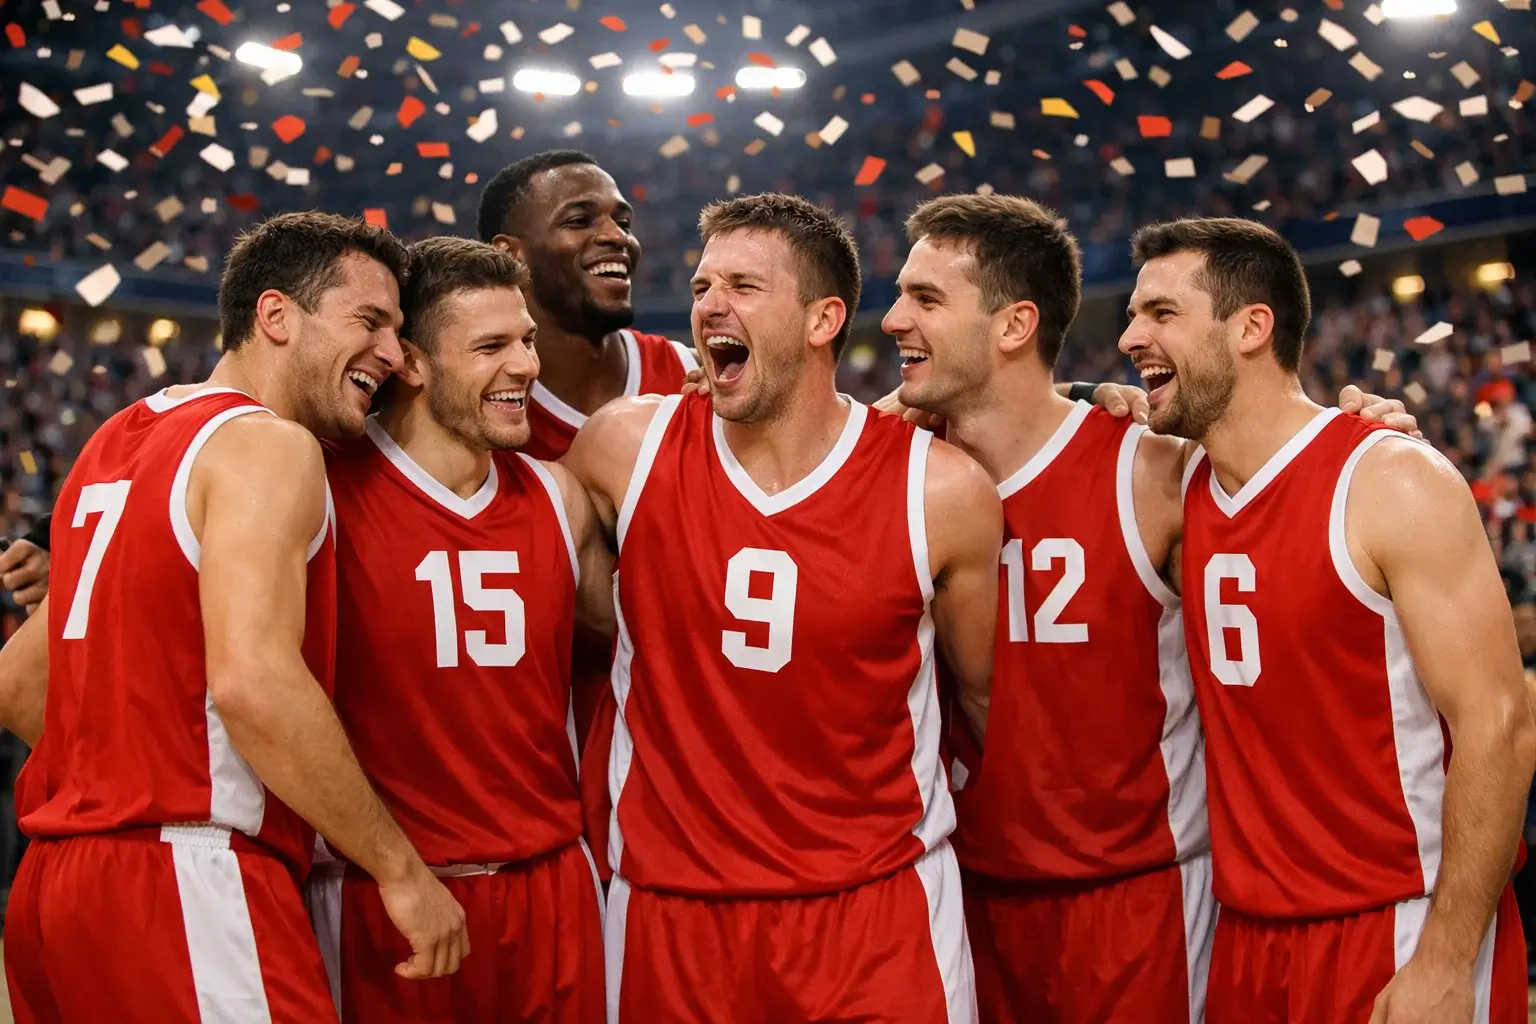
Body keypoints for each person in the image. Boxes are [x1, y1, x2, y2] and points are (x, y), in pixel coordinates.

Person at [880, 193, 1424, 1024]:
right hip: (966, 893)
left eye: (924, 298)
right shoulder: (892, 472)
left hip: (1142, 901)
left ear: (1014, 324)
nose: (892, 321)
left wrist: (1372, 434)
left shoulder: (1157, 473)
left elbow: (1287, 462)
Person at [0, 211, 468, 1022]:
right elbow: (256, 682)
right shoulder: (270, 446)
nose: (395, 354)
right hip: (190, 881)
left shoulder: (120, 438)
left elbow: (19, 685)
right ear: (277, 316)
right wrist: (399, 869)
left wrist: (131, 775)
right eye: (371, 322)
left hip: (55, 887)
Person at [563, 193, 1000, 1022]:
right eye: (700, 287)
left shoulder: (940, 491)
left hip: (876, 913)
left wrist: (1096, 394)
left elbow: (980, 700)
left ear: (822, 318)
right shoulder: (623, 447)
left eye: (743, 285)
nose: (709, 305)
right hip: (670, 910)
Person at [1121, 216, 1534, 1022]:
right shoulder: (1177, 488)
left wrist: (1448, 961)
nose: (1132, 335)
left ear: (1251, 325)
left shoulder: (1390, 479)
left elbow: (1501, 724)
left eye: (1162, 314)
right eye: (1135, 314)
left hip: (1396, 924)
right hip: (1247, 936)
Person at [309, 236, 610, 1022]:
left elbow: (663, 641)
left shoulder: (559, 496)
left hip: (554, 890)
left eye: (528, 341)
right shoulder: (319, 492)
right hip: (390, 902)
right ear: (411, 361)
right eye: (491, 346)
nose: (527, 367)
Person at [476, 150, 698, 876]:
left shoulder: (694, 379)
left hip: (686, 764)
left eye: (621, 220)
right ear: (508, 256)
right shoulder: (468, 409)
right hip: (534, 780)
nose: (617, 236)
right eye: (581, 219)